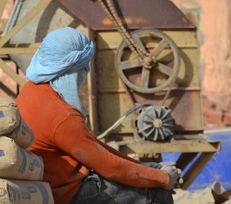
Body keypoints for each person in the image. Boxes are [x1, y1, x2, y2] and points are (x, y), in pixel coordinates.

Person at [16, 27, 182, 204]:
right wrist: (162, 179)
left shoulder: (29, 92)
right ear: (70, 69)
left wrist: (153, 171)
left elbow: (93, 148)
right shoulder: (63, 116)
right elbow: (109, 167)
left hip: (54, 185)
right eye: (83, 66)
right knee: (155, 189)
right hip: (67, 195)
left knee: (153, 172)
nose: (87, 70)